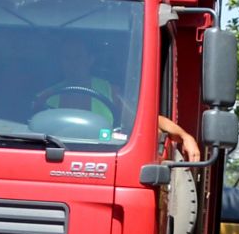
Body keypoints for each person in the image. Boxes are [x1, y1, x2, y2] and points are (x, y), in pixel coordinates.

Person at [50, 35, 201, 162]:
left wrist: (185, 137)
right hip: (58, 159)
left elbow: (147, 120)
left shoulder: (109, 91)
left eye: (77, 57)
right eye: (67, 58)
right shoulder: (47, 96)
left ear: (90, 60)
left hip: (103, 161)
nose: (72, 63)